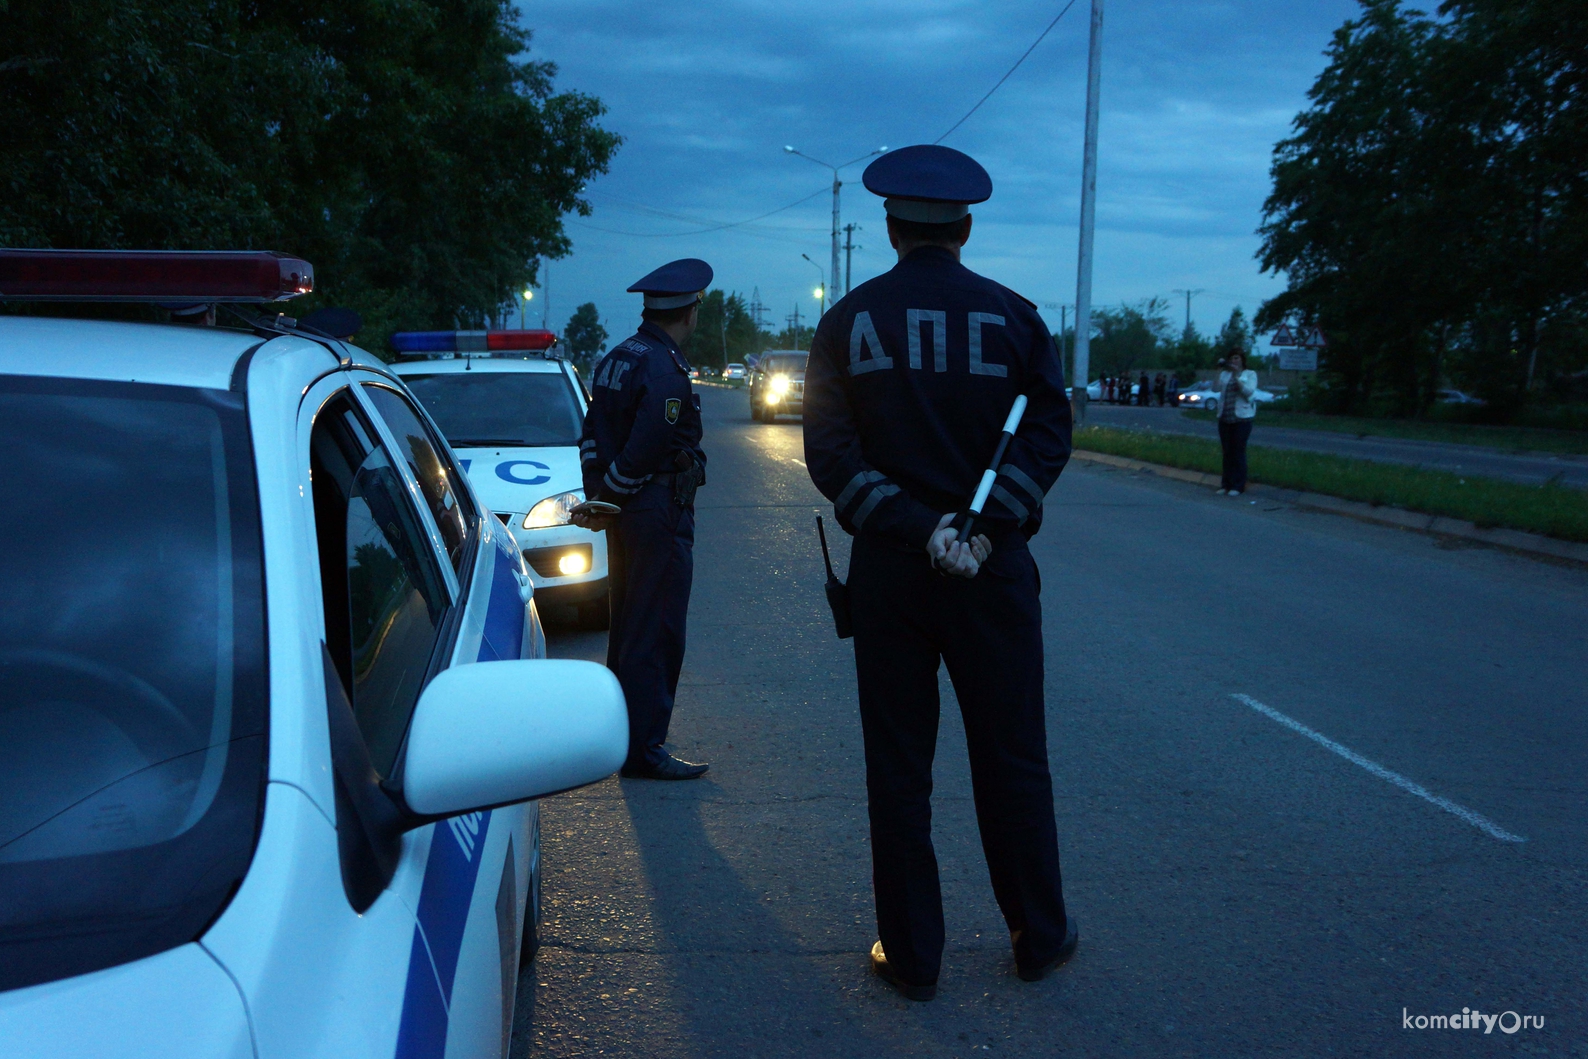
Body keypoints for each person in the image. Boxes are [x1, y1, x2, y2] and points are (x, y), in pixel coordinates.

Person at [803, 144, 1079, 1002]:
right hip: (993, 573)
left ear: (889, 227)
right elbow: (1049, 436)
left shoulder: (848, 321)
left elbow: (830, 454)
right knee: (1013, 760)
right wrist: (983, 524)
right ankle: (1039, 936)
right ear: (965, 226)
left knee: (899, 767)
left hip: (891, 573)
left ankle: (913, 957)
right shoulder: (1018, 319)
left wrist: (921, 529)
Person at [571, 259, 711, 780]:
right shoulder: (662, 367)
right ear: (689, 311)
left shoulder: (617, 358)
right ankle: (645, 749)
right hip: (655, 511)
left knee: (629, 626)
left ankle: (625, 739)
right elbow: (647, 447)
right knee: (656, 628)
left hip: (628, 513)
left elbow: (591, 433)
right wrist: (612, 495)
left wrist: (601, 499)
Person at [1215, 350, 1258, 496]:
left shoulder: (1250, 374)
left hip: (1242, 418)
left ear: (1242, 360)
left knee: (1238, 451)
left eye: (1236, 358)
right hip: (1225, 417)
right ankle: (1225, 484)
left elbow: (1248, 392)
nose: (1234, 361)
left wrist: (1236, 376)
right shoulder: (1224, 375)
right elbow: (1215, 388)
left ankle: (1238, 485)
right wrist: (1219, 370)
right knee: (1227, 452)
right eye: (1231, 358)